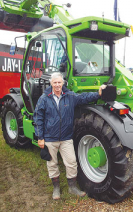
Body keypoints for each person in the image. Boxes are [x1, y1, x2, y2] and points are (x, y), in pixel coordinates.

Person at [33, 72, 106, 200]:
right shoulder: (44, 99)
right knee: (52, 164)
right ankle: (56, 188)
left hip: (66, 138)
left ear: (63, 83)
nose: (57, 85)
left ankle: (72, 187)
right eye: (55, 83)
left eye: (59, 82)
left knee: (71, 162)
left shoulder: (70, 96)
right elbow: (38, 117)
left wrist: (98, 94)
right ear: (51, 83)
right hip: (50, 138)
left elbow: (84, 97)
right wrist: (40, 137)